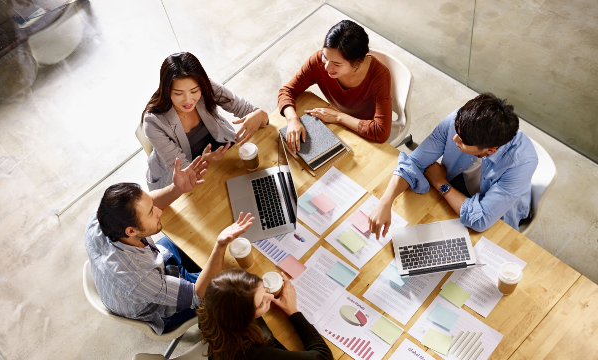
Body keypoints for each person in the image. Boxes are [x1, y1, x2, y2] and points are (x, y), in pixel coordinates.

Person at [84, 155, 255, 335]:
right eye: (151, 213)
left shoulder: (102, 216)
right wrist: (220, 245)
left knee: (198, 240)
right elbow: (198, 295)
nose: (159, 211)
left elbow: (147, 204)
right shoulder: (138, 279)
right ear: (131, 231)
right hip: (159, 307)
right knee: (237, 282)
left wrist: (176, 189)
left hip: (149, 267)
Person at [369, 93, 538, 236]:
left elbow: (480, 220)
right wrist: (386, 201)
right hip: (458, 185)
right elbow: (414, 163)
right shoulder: (461, 122)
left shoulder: (521, 163)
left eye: (462, 141)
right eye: (456, 132)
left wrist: (440, 182)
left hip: (497, 214)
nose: (454, 139)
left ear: (490, 150)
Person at [142, 52, 269, 190]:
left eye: (194, 91)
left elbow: (247, 110)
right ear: (166, 91)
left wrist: (260, 114)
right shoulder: (153, 122)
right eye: (178, 93)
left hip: (219, 153)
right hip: (182, 175)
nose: (188, 100)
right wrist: (203, 162)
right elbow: (183, 171)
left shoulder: (206, 87)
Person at [278, 20, 392, 153]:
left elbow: (381, 131)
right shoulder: (317, 61)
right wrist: (292, 120)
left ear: (358, 62)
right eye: (325, 57)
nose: (326, 67)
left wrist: (338, 117)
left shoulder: (379, 75)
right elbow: (287, 90)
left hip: (361, 129)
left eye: (336, 64)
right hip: (335, 123)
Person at [197, 270, 333, 360]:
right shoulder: (252, 352)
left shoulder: (210, 308)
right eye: (261, 303)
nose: (270, 296)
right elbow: (324, 356)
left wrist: (255, 291)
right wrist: (293, 311)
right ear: (243, 319)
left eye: (264, 288)